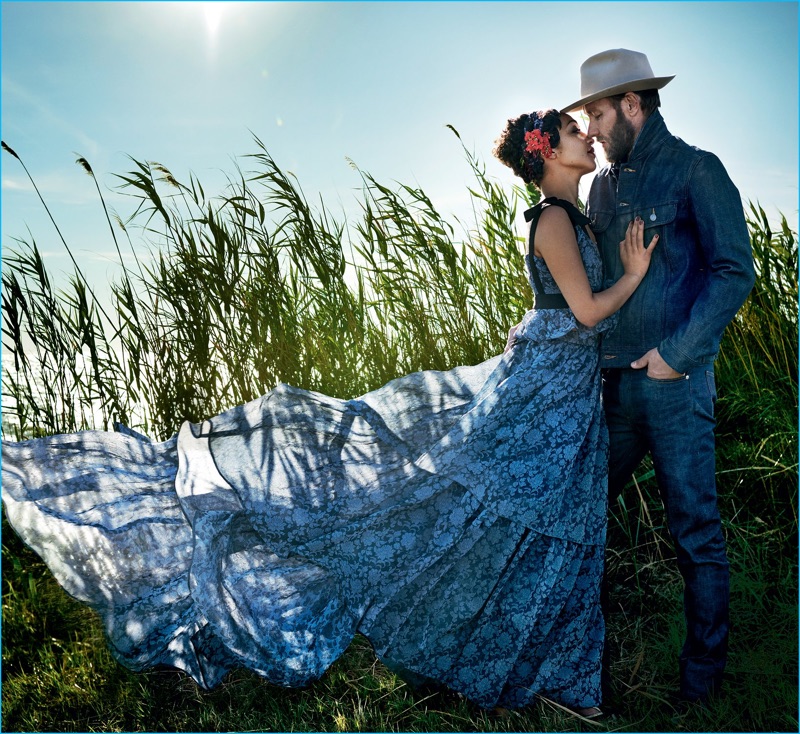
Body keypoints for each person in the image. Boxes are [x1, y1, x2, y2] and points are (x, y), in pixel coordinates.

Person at [1, 108, 656, 718]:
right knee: (449, 501)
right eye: (574, 131)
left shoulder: (576, 213)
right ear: (547, 155)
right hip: (542, 393)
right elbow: (588, 311)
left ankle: (537, 660)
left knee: (538, 519)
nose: (586, 137)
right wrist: (631, 273)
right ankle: (473, 640)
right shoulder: (552, 221)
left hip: (564, 393)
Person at [561, 48, 756, 707]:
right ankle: (587, 669)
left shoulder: (699, 171)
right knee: (578, 517)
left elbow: (736, 271)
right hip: (611, 392)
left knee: (695, 532)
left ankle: (701, 689)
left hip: (675, 387)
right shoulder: (602, 187)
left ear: (633, 105)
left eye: (596, 112)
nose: (589, 126)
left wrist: (679, 353)